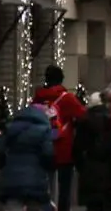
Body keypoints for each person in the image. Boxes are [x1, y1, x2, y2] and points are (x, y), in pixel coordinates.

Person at [26, 70, 83, 211]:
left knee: (44, 186)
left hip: (42, 148)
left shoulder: (37, 99)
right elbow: (84, 115)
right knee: (64, 189)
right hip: (64, 150)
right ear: (61, 79)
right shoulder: (67, 98)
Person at [73, 85, 111, 211]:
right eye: (107, 102)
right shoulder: (108, 122)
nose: (109, 105)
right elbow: (99, 150)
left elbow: (78, 151)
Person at [0, 97, 58, 211]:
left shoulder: (11, 128)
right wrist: (47, 167)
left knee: (13, 206)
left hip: (11, 179)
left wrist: (5, 165)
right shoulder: (44, 129)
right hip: (36, 179)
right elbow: (48, 154)